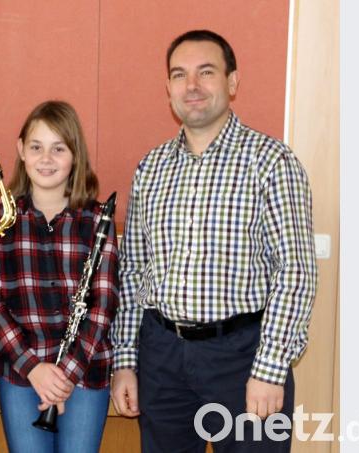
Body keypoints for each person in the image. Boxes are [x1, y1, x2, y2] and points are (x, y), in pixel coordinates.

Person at [110, 29, 318, 452]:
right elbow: (133, 271)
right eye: (179, 75)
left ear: (232, 82)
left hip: (243, 358)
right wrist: (126, 360)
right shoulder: (151, 168)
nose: (192, 86)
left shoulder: (271, 162)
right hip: (162, 356)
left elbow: (295, 271)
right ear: (168, 88)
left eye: (206, 72)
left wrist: (270, 369)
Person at [0, 100, 119, 453]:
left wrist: (67, 372)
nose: (46, 159)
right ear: (20, 150)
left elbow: (103, 305)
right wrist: (34, 368)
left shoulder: (97, 219)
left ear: (75, 155)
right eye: (36, 147)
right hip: (21, 372)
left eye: (59, 149)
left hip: (85, 370)